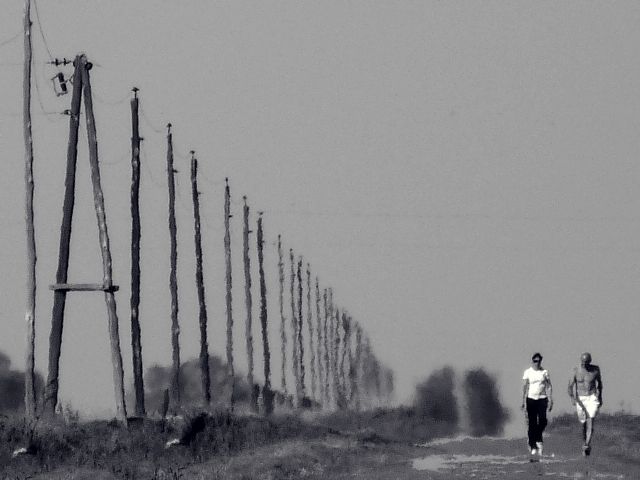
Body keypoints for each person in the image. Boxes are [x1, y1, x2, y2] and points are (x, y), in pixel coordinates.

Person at [567, 352, 603, 456]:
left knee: (590, 419)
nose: (584, 364)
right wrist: (572, 398)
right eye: (582, 362)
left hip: (592, 397)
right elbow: (570, 386)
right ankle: (584, 443)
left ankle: (587, 444)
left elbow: (600, 384)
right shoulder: (576, 370)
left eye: (586, 362)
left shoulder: (595, 370)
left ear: (589, 361)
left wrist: (600, 397)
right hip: (580, 398)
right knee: (583, 422)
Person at [521, 352, 553, 456]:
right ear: (532, 361)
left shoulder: (544, 372)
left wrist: (551, 399)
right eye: (535, 361)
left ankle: (537, 437)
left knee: (543, 421)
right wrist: (523, 401)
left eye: (538, 361)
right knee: (532, 422)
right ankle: (532, 444)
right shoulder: (528, 372)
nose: (537, 363)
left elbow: (549, 386)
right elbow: (525, 387)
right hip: (531, 399)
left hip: (542, 399)